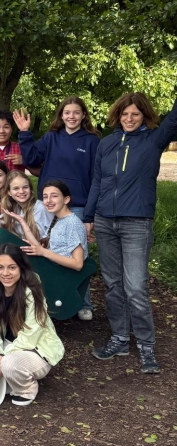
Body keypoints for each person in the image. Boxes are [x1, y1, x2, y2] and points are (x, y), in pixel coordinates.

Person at [85, 92, 177, 373]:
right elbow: (98, 182)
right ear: (117, 116)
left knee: (135, 287)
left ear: (144, 116)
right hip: (105, 221)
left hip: (136, 222)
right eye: (125, 114)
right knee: (113, 284)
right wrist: (89, 216)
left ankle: (147, 347)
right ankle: (120, 339)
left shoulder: (153, 140)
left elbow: (173, 120)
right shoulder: (107, 143)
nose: (129, 119)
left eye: (135, 114)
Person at [0, 244, 64, 406]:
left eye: (12, 268)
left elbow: (31, 334)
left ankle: (26, 388)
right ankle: (11, 378)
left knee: (9, 364)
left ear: (21, 268)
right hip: (8, 346)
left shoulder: (32, 291)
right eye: (0, 267)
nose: (6, 273)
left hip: (36, 349)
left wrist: (2, 359)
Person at [8, 180, 92, 320]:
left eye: (54, 196)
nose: (48, 200)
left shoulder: (72, 223)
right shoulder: (59, 221)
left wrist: (44, 252)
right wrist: (22, 222)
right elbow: (39, 249)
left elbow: (78, 264)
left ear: (66, 199)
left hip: (62, 278)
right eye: (45, 197)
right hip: (54, 271)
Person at [14, 97, 100, 218]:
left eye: (76, 112)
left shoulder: (92, 141)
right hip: (47, 203)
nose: (72, 116)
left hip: (76, 206)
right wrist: (24, 132)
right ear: (61, 116)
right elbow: (31, 160)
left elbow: (95, 178)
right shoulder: (50, 138)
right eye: (67, 112)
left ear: (83, 115)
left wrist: (90, 212)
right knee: (40, 238)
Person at [0, 171, 54, 240]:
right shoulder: (15, 208)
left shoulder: (41, 208)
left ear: (30, 189)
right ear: (9, 192)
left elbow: (53, 234)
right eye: (16, 188)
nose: (21, 191)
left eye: (25, 187)